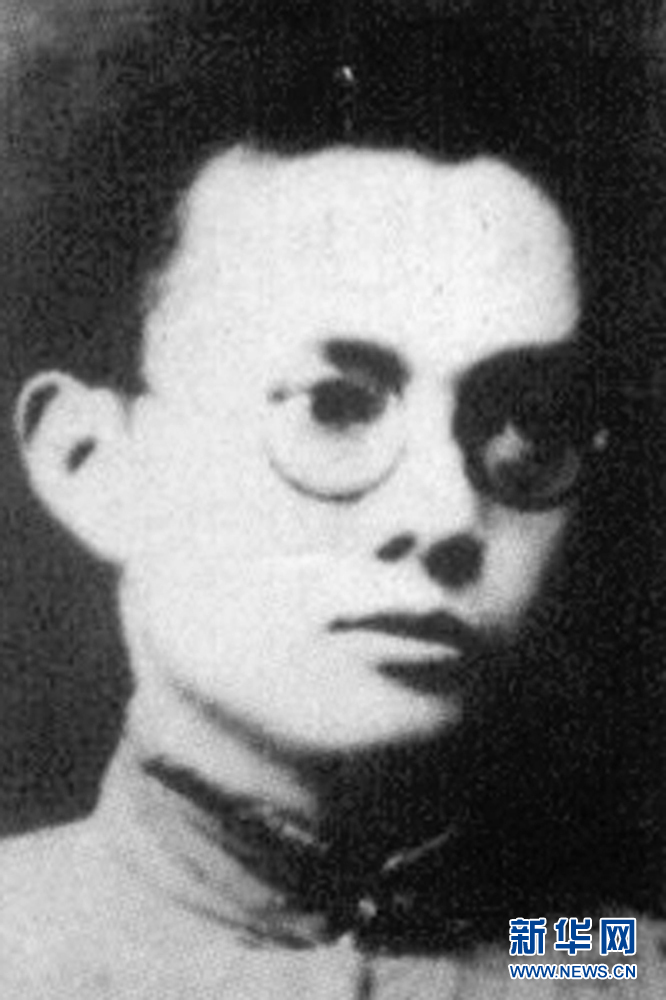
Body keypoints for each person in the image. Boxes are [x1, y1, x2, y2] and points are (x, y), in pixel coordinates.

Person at [0, 1, 665, 996]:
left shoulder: (592, 957)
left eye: (524, 422)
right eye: (336, 405)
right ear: (92, 461)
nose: (446, 516)